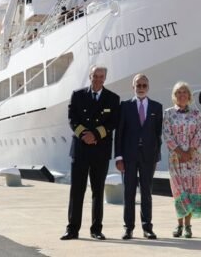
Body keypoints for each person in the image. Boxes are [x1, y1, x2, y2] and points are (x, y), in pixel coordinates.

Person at [61, 65, 120, 241]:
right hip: (80, 149)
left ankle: (96, 229)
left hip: (100, 150)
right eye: (95, 76)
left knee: (98, 191)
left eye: (101, 76)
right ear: (90, 76)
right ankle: (72, 229)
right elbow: (72, 119)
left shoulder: (112, 98)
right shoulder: (78, 95)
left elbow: (112, 123)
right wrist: (84, 135)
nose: (98, 79)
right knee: (77, 191)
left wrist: (95, 135)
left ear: (105, 78)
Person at [114, 74, 163, 240]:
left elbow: (158, 135)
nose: (141, 88)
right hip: (128, 157)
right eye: (138, 85)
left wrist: (156, 156)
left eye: (144, 85)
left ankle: (147, 227)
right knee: (129, 193)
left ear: (148, 87)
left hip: (148, 157)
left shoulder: (157, 107)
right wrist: (118, 157)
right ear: (133, 87)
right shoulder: (125, 106)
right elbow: (119, 133)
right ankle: (128, 228)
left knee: (146, 193)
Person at [163, 82, 201, 238]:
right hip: (176, 159)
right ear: (174, 96)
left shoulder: (196, 114)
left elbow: (200, 132)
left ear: (189, 96)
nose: (181, 95)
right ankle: (179, 224)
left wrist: (190, 151)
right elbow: (167, 134)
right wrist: (180, 152)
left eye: (184, 92)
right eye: (178, 93)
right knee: (179, 192)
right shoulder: (168, 113)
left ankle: (188, 226)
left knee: (191, 191)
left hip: (194, 158)